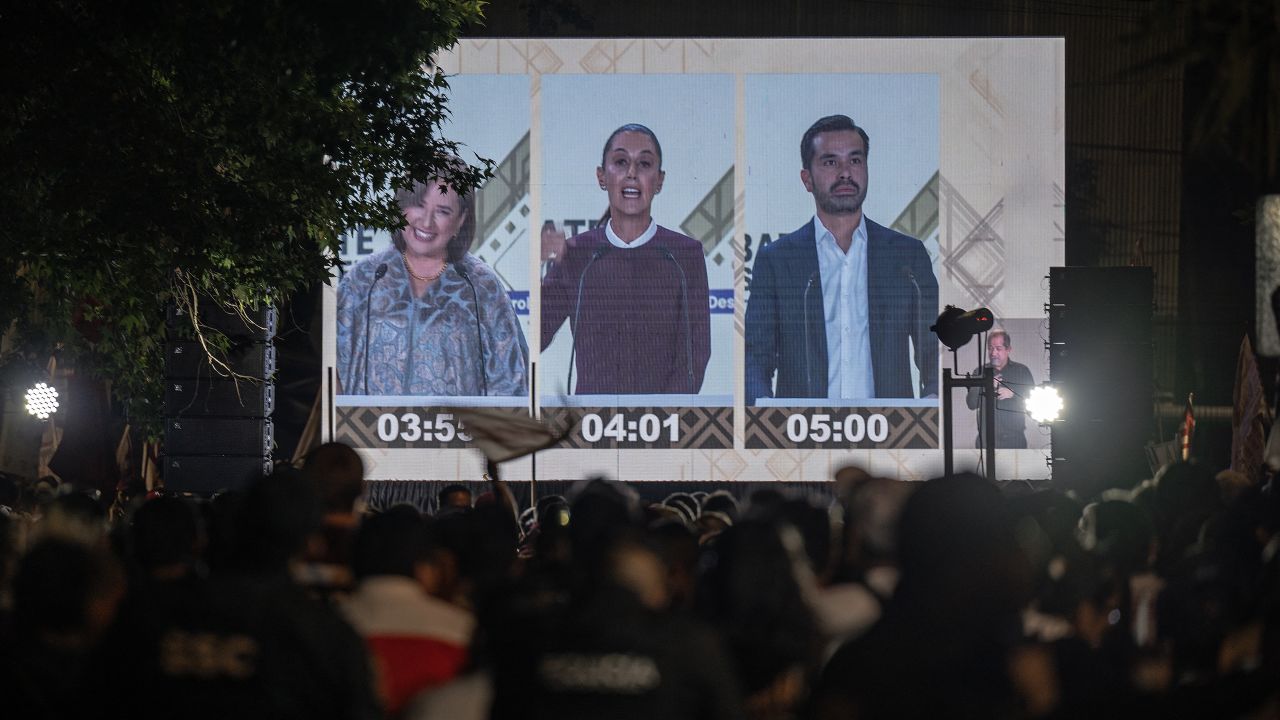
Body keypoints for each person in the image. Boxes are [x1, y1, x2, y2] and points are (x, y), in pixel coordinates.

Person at [744, 114, 938, 404]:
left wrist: (933, 402)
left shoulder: (906, 256)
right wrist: (765, 412)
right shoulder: (778, 260)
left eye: (855, 161)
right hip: (802, 437)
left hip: (892, 435)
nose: (846, 172)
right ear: (807, 179)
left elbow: (934, 348)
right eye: (831, 162)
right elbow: (755, 358)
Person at [541, 124, 711, 395]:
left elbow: (695, 357)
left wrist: (662, 419)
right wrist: (538, 267)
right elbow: (532, 341)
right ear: (601, 176)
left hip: (661, 427)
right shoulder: (578, 254)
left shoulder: (684, 255)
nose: (632, 174)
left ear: (660, 180)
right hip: (591, 426)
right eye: (621, 162)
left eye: (644, 164)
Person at [337, 169, 528, 396]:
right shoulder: (364, 279)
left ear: (461, 220)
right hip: (369, 429)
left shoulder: (481, 286)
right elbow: (330, 373)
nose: (426, 221)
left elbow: (511, 384)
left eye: (443, 211)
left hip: (460, 429)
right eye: (418, 205)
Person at [965, 330, 1034, 449]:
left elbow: (1034, 404)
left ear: (1008, 349)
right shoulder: (979, 371)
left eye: (998, 348)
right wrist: (985, 384)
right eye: (990, 348)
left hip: (1015, 440)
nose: (993, 353)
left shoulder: (1022, 371)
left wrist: (1013, 394)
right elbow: (971, 404)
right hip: (986, 441)